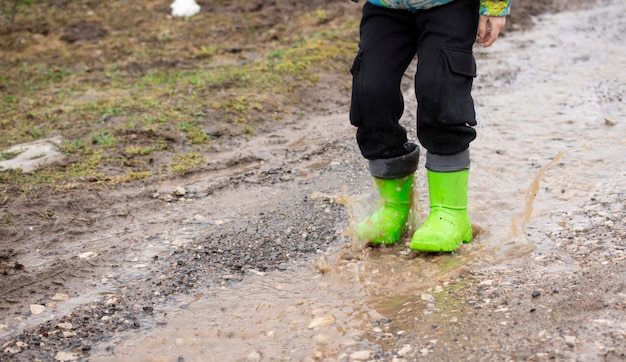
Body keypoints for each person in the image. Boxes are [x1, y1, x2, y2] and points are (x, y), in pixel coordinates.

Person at [349, 0, 510, 252]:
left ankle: (451, 212)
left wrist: (495, 7)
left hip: (450, 6)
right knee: (370, 91)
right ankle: (394, 208)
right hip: (385, 6)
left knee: (440, 91)